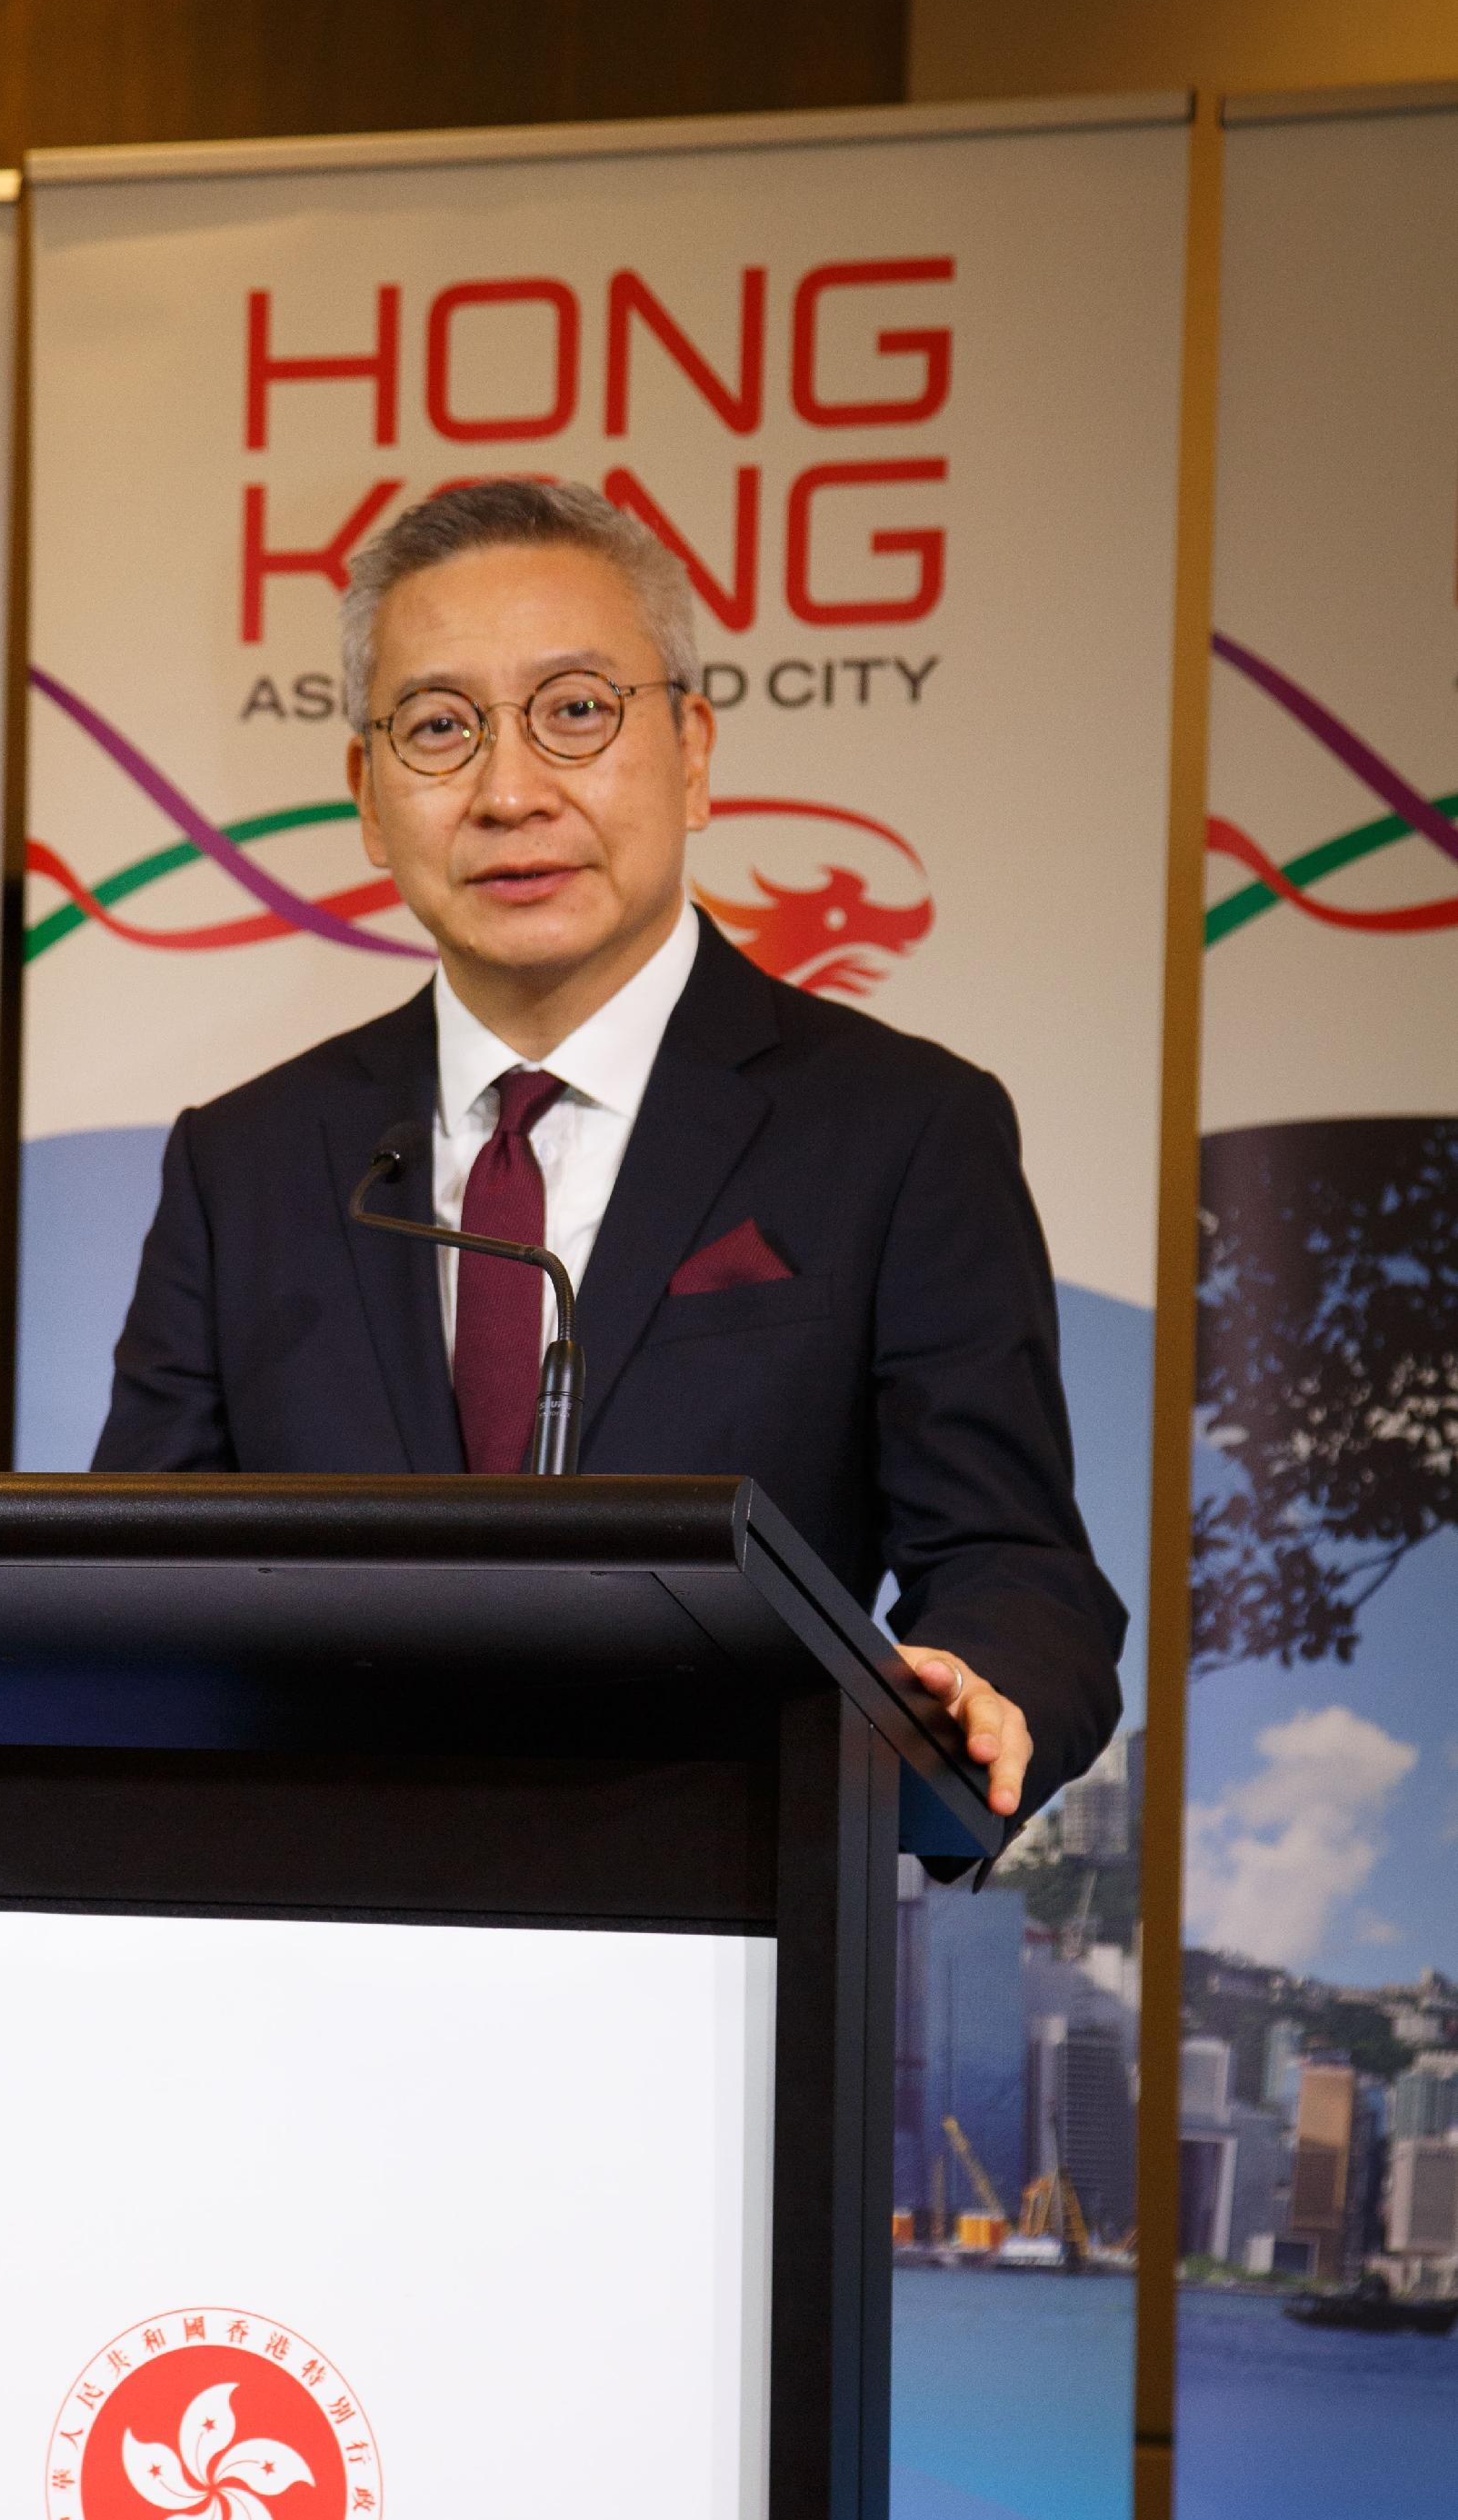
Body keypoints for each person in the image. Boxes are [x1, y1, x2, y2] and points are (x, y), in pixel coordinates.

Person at [93, 477, 1123, 1818]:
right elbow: (129, 1586)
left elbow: (1011, 1557)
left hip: (730, 1924)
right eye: (440, 727)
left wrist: (977, 1686)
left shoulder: (900, 1131)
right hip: (318, 1929)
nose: (510, 790)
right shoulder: (246, 1164)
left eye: (577, 711)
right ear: (365, 789)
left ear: (692, 752)